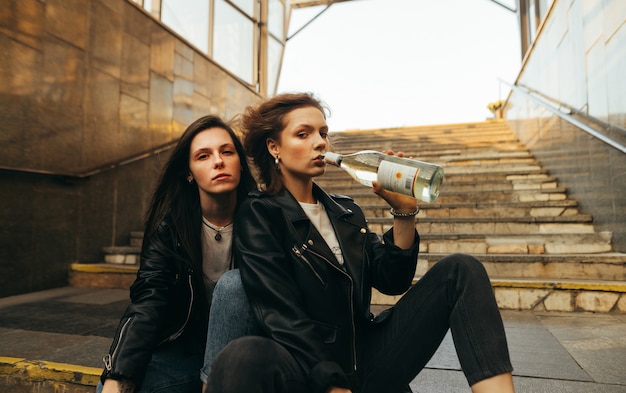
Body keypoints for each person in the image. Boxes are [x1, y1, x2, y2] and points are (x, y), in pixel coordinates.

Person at [204, 92, 516, 393]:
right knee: (240, 356)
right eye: (303, 134)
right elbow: (278, 311)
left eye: (323, 133)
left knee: (461, 269)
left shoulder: (346, 210)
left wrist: (404, 211)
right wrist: (330, 381)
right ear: (275, 147)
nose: (320, 142)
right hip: (305, 366)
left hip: (365, 357)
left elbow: (393, 280)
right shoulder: (260, 212)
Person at [97, 115, 257, 393]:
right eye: (204, 156)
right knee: (111, 387)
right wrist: (118, 373)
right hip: (187, 348)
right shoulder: (171, 229)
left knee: (234, 284)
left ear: (240, 163)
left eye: (227, 152)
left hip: (246, 351)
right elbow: (150, 299)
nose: (218, 161)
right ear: (189, 172)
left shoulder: (263, 222)